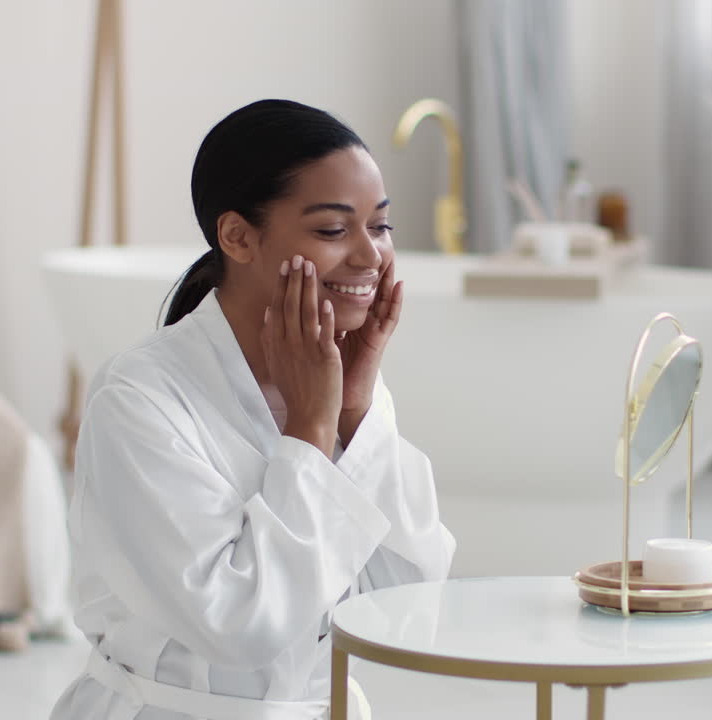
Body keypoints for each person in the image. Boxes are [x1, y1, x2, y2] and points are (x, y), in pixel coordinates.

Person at [50, 99, 456, 720]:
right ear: (238, 236)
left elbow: (408, 604)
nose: (371, 256)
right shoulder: (138, 400)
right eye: (333, 230)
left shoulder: (347, 391)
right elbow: (236, 625)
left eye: (380, 226)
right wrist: (312, 429)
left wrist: (353, 412)